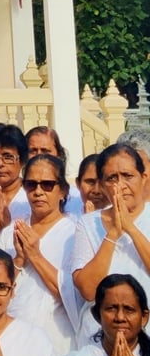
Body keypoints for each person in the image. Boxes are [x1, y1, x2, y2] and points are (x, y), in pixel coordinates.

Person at [69, 143, 150, 345]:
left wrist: (130, 228)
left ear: (144, 178)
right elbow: (88, 290)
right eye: (112, 178)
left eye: (128, 176)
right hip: (98, 338)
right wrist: (113, 233)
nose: (120, 185)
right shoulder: (88, 223)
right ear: (103, 185)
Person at [0, 154, 76, 356]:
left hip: (58, 341)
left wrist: (35, 255)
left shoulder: (75, 233)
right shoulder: (11, 231)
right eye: (31, 184)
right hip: (12, 338)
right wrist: (19, 261)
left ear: (63, 191)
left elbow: (76, 295)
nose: (38, 192)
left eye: (47, 184)